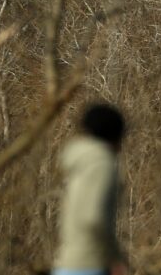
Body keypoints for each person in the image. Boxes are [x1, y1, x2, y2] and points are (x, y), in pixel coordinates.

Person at [53, 104, 127, 275]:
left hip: (67, 262)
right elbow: (94, 217)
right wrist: (115, 258)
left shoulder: (80, 163)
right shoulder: (102, 165)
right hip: (91, 264)